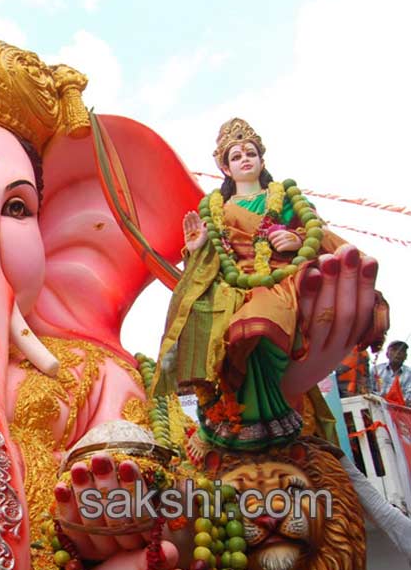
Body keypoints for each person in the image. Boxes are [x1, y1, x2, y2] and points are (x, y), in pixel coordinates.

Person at [160, 117, 384, 450]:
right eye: (235, 157)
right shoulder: (218, 209)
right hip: (235, 285)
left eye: (250, 153)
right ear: (226, 169)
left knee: (258, 325)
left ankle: (267, 415)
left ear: (262, 160)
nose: (244, 159)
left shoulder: (286, 197)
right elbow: (212, 262)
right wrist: (194, 250)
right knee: (210, 319)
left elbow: (316, 234)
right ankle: (240, 419)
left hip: (282, 279)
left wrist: (294, 238)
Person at [373, 340, 411, 405]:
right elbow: (369, 390)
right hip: (376, 407)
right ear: (387, 354)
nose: (398, 353)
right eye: (394, 350)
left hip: (400, 410)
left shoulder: (409, 374)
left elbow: (409, 397)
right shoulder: (375, 370)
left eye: (402, 351)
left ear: (406, 356)